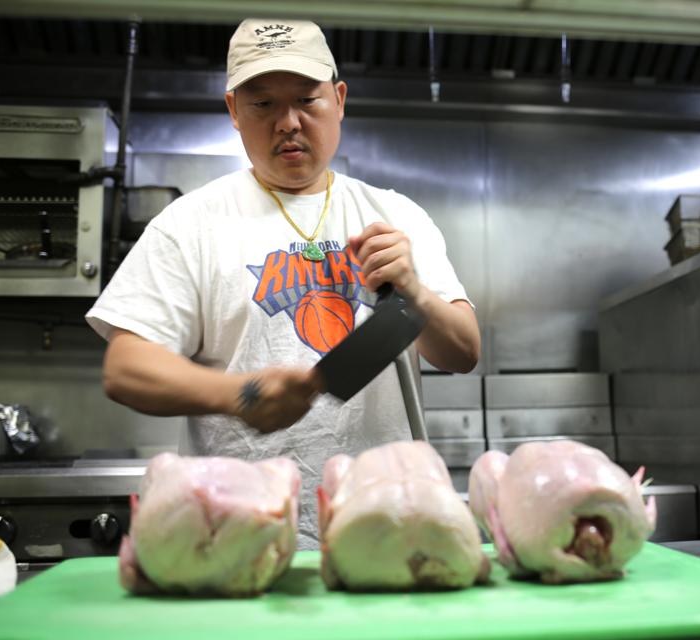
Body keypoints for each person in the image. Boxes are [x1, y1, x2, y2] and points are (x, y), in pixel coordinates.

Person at [85, 18, 480, 548]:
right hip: (239, 532)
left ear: (339, 100)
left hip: (390, 524)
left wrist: (417, 292)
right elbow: (126, 369)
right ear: (233, 111)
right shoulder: (190, 224)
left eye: (307, 100)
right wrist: (238, 395)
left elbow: (463, 353)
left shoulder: (396, 214)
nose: (288, 122)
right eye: (263, 104)